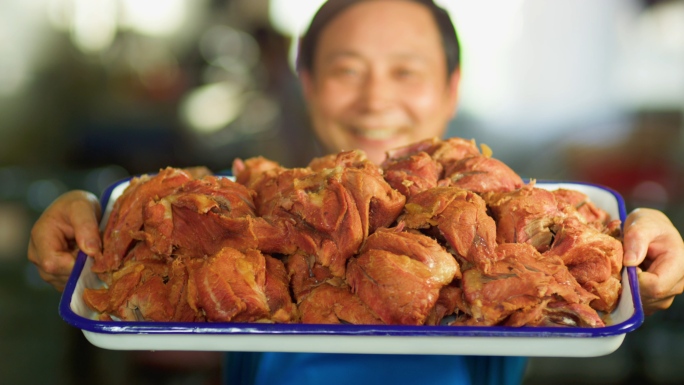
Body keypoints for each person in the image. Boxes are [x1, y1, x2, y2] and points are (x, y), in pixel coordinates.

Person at [27, 0, 684, 384]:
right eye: (347, 71)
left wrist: (642, 244)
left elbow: (599, 273)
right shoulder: (258, 209)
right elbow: (155, 306)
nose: (376, 98)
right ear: (307, 84)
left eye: (406, 72)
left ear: (451, 89)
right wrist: (92, 220)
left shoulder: (492, 211)